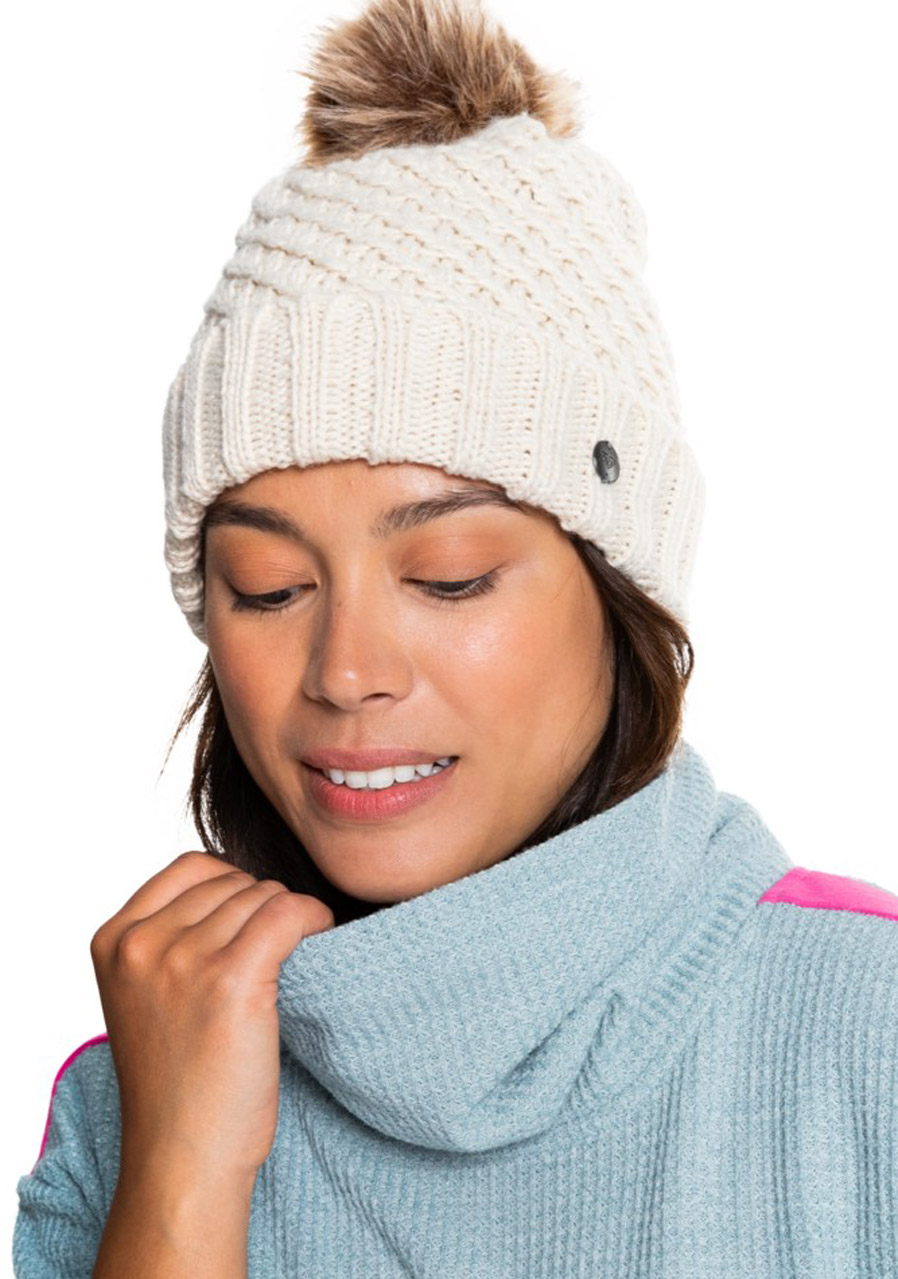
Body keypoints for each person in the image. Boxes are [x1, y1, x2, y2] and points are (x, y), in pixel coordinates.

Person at [12, 0, 898, 1273]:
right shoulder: (133, 1101)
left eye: (449, 575)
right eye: (267, 586)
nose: (347, 673)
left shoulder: (864, 1030)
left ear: (619, 590)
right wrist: (181, 1175)